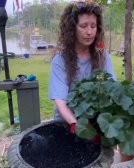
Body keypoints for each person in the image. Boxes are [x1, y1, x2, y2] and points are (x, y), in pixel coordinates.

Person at [48, 0, 116, 133]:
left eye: (93, 26)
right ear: (73, 28)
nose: (89, 32)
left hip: (94, 122)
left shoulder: (102, 57)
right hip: (66, 123)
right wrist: (76, 125)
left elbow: (112, 87)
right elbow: (60, 100)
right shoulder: (60, 60)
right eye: (84, 26)